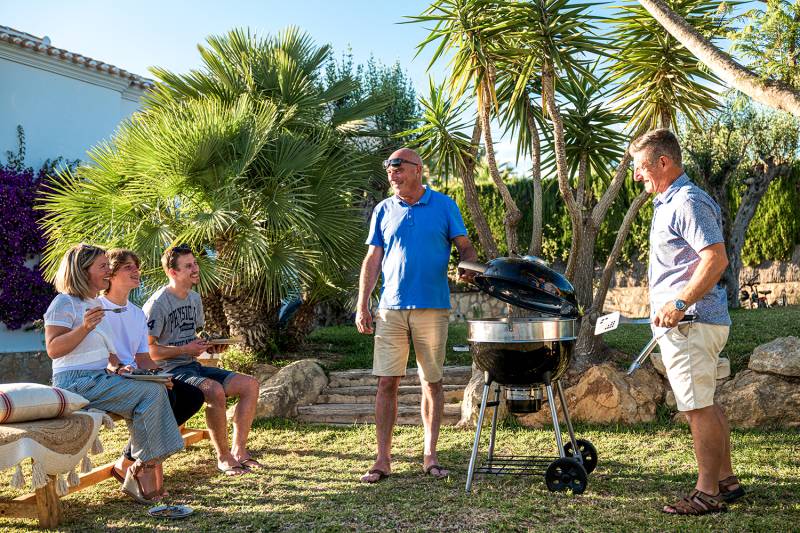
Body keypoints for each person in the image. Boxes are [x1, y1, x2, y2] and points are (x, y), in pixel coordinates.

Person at [630, 129, 744, 515]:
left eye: (641, 167)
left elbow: (716, 258)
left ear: (664, 162)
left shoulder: (688, 201)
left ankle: (707, 492)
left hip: (691, 322)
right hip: (691, 323)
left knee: (697, 408)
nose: (636, 175)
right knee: (706, 404)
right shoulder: (669, 202)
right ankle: (726, 480)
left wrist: (679, 303)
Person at [356, 148, 478, 483]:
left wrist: (467, 263)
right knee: (385, 382)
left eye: (397, 166)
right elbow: (373, 259)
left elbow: (465, 245)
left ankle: (430, 455)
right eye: (388, 167)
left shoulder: (444, 205)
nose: (391, 173)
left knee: (432, 381)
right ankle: (382, 460)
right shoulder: (383, 209)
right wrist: (362, 303)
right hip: (391, 308)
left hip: (432, 307)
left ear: (417, 170)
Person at [44, 244, 184, 504]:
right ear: (83, 271)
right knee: (152, 394)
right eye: (102, 266)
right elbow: (53, 349)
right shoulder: (64, 302)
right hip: (74, 382)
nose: (108, 271)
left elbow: (106, 350)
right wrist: (84, 327)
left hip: (99, 378)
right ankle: (142, 470)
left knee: (157, 388)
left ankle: (143, 467)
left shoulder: (93, 302)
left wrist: (123, 367)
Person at [143, 244, 261, 476]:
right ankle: (223, 457)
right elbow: (149, 352)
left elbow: (192, 337)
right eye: (188, 266)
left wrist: (210, 345)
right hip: (169, 373)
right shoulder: (157, 304)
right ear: (172, 272)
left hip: (193, 367)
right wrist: (185, 348)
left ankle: (239, 452)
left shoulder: (194, 298)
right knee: (214, 391)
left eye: (195, 263)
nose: (196, 269)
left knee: (250, 385)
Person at [99, 249, 205, 496]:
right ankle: (146, 473)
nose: (137, 272)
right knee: (163, 398)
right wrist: (120, 368)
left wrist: (159, 375)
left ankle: (128, 461)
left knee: (192, 396)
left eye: (137, 266)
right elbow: (101, 356)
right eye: (128, 268)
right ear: (111, 274)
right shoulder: (98, 308)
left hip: (136, 376)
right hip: (109, 377)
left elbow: (144, 357)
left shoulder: (136, 313)